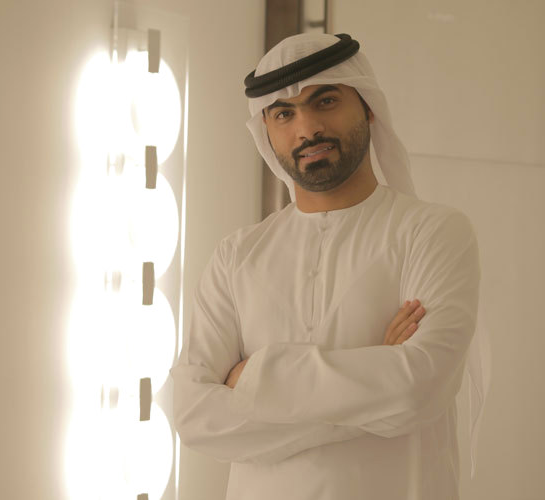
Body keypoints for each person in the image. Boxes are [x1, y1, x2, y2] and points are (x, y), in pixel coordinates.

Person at [170, 32, 489, 500]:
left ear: (368, 107)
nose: (308, 129)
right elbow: (194, 416)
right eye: (284, 113)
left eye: (325, 101)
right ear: (266, 131)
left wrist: (256, 379)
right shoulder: (236, 256)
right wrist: (374, 386)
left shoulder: (432, 232)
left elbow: (418, 389)